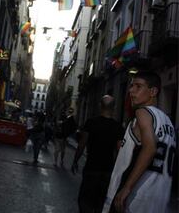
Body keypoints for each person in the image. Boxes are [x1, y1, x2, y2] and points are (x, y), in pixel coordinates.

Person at [102, 71, 177, 213]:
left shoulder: (142, 112)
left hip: (135, 199)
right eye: (131, 86)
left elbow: (150, 148)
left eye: (138, 86)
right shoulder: (168, 122)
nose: (131, 90)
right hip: (159, 200)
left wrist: (126, 187)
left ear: (153, 91)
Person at [71, 95, 124, 213]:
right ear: (114, 108)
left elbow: (82, 144)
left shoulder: (91, 123)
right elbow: (120, 151)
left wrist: (75, 161)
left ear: (100, 106)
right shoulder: (118, 127)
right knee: (100, 202)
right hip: (107, 171)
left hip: (91, 168)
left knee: (85, 200)